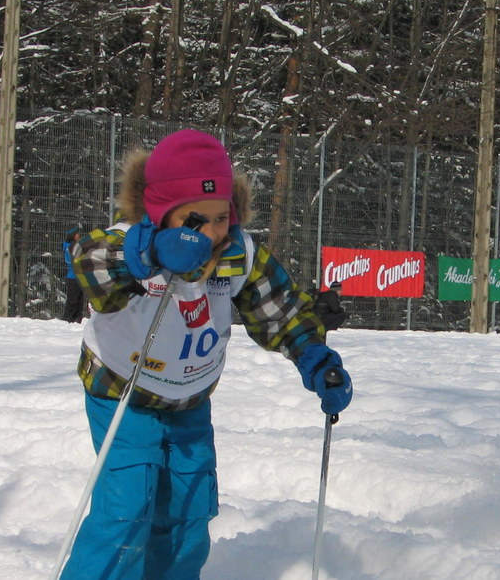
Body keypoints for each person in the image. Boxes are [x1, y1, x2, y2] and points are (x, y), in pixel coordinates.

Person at [61, 129, 353, 579]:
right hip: (123, 391)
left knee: (187, 510)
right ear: (161, 211)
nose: (211, 231)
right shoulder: (132, 243)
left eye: (221, 217)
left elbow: (280, 311)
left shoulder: (238, 252)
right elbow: (88, 262)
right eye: (195, 219)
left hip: (190, 401)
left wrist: (312, 355)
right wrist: (148, 253)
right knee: (127, 506)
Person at [61, 227, 87, 323]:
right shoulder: (70, 247)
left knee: (80, 299)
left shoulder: (76, 246)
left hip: (79, 276)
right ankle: (68, 318)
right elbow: (71, 261)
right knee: (73, 299)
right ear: (73, 236)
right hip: (73, 276)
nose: (79, 235)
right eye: (77, 234)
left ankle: (77, 318)